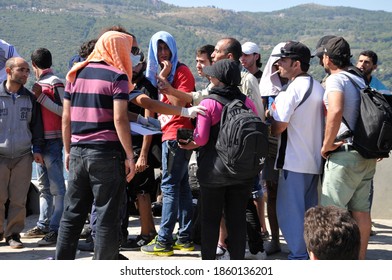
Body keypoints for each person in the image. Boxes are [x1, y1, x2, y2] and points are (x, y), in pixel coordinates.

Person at [55, 31, 136, 260]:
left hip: (78, 151)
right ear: (117, 48)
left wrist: (68, 151)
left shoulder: (75, 74)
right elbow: (120, 119)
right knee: (107, 217)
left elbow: (66, 118)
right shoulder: (117, 76)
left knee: (71, 215)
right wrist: (130, 156)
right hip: (106, 154)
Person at [180, 59, 258, 260]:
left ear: (219, 79)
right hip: (241, 172)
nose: (209, 76)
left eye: (212, 74)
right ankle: (237, 262)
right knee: (237, 219)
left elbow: (201, 138)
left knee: (210, 220)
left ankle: (208, 262)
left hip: (213, 172)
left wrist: (188, 143)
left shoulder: (209, 103)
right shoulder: (246, 102)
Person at [266, 41, 325, 260]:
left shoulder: (292, 89)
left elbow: (279, 125)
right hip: (313, 161)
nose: (279, 65)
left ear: (296, 64)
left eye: (283, 61)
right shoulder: (318, 86)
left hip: (292, 160)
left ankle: (299, 257)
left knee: (290, 214)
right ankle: (311, 255)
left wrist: (269, 119)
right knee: (310, 216)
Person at [320, 37, 377, 260]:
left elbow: (335, 111)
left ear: (327, 58)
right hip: (365, 154)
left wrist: (326, 144)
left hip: (345, 155)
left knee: (332, 214)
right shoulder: (359, 79)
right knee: (361, 212)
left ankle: (334, 264)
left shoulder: (336, 79)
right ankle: (359, 261)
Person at [141, 31, 195, 256]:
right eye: (159, 49)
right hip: (169, 134)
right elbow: (153, 107)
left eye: (166, 48)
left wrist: (164, 79)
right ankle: (185, 237)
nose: (163, 53)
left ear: (173, 49)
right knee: (181, 187)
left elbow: (177, 102)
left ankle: (163, 241)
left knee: (169, 187)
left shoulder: (181, 72)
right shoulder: (158, 76)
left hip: (176, 135)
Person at [23, 48, 66, 247]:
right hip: (39, 144)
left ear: (33, 66)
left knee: (57, 188)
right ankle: (43, 224)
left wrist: (40, 98)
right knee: (44, 188)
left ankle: (56, 228)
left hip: (54, 142)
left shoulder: (55, 82)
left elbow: (65, 111)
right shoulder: (38, 85)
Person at [0, 57, 44, 249]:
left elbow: (36, 127)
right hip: (0, 155)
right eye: (21, 70)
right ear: (9, 71)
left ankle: (13, 235)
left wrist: (38, 149)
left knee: (19, 199)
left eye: (27, 70)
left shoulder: (30, 98)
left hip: (23, 155)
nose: (26, 74)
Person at [356, 50, 391, 237]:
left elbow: (386, 120)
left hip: (369, 146)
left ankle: (365, 225)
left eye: (367, 62)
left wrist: (381, 148)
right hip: (352, 143)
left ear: (374, 66)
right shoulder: (352, 82)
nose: (362, 64)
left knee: (366, 187)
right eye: (360, 61)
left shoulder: (382, 89)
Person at [258, 42, 287, 256]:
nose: (279, 66)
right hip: (272, 147)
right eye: (277, 62)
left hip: (296, 146)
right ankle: (275, 239)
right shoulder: (266, 87)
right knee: (273, 194)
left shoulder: (300, 84)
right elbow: (261, 115)